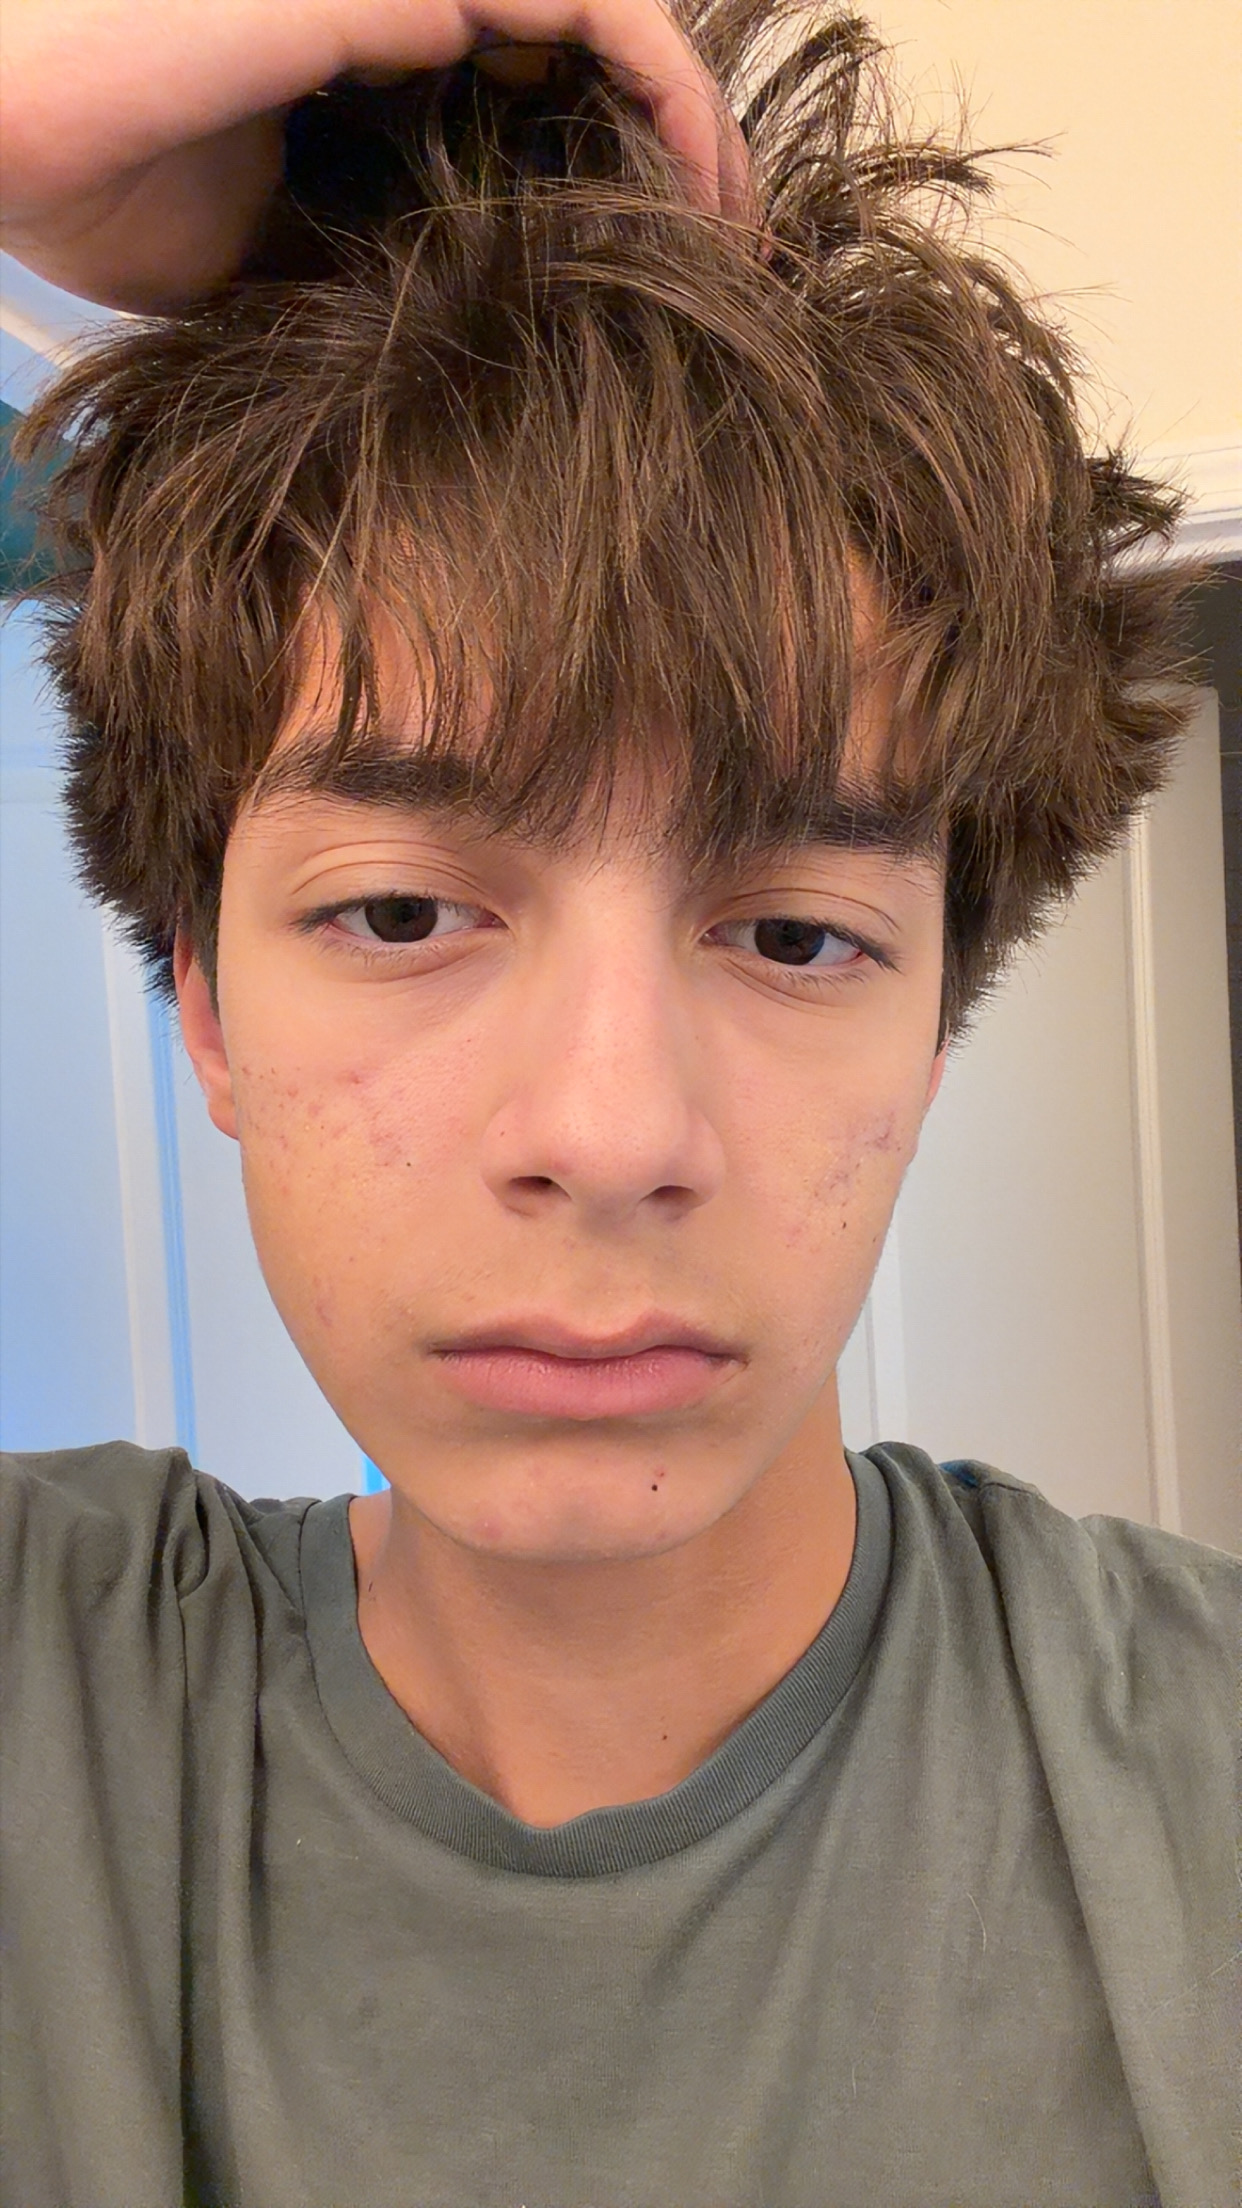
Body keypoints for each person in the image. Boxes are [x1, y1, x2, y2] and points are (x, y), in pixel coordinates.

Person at [0, 3, 1234, 2203]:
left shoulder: (1200, 1778)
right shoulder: (48, 1694)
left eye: (795, 937)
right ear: (203, 1004)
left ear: (934, 1028)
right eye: (401, 913)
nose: (610, 1128)